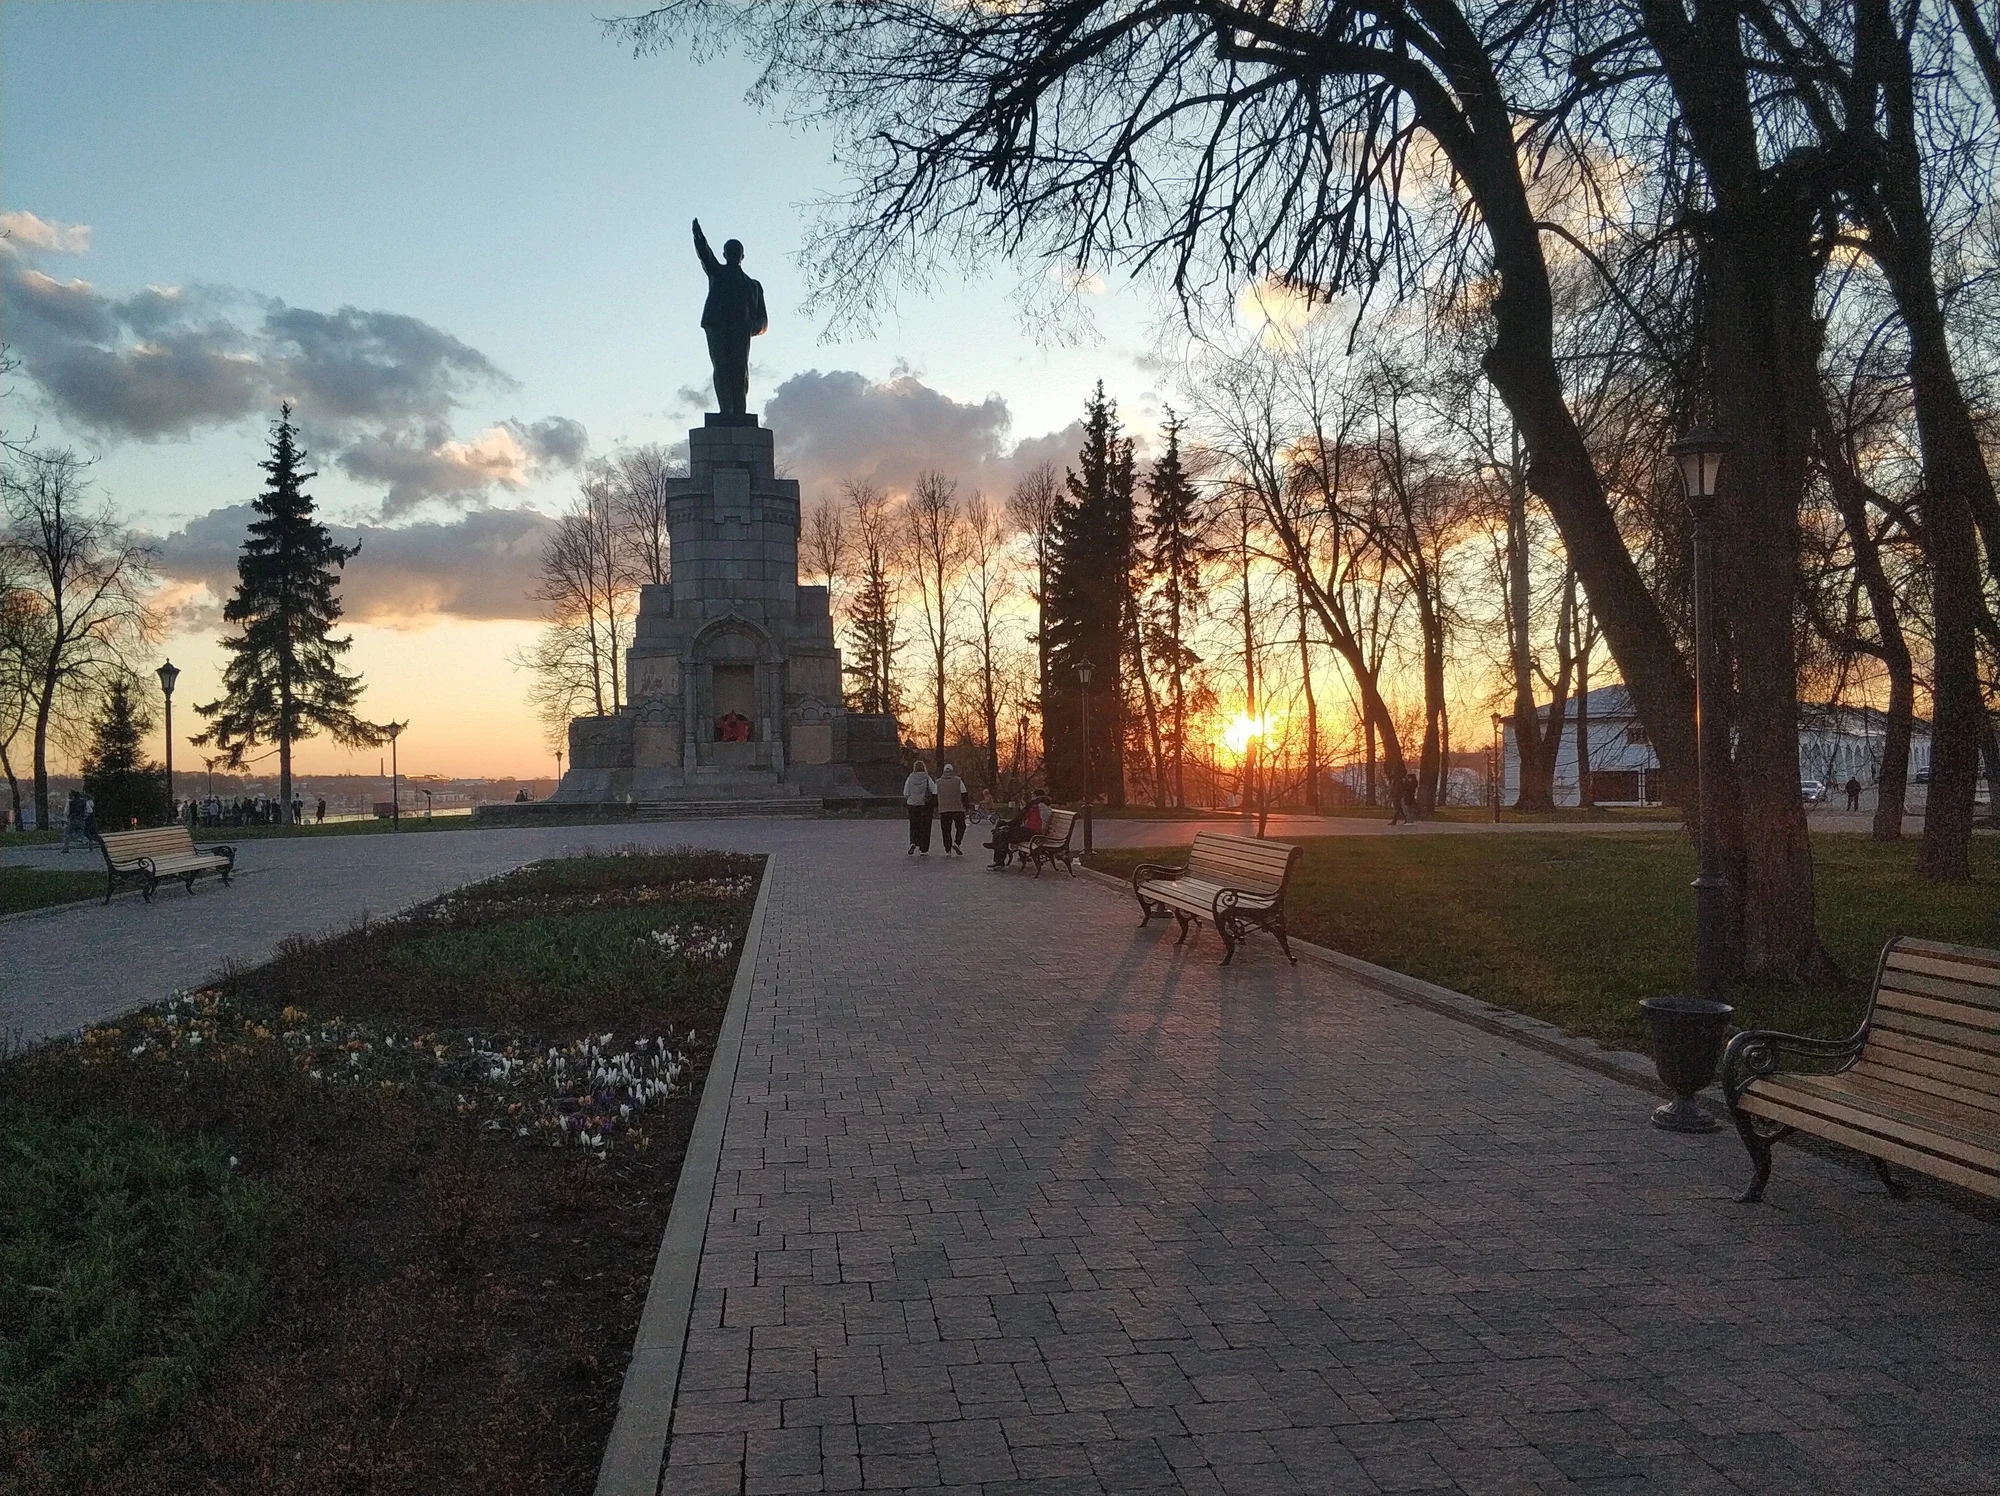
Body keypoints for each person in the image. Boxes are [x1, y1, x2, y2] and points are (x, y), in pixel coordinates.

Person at [988, 787, 1052, 868]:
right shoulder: (1034, 805)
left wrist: (1041, 834)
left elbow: (1044, 822)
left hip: (1032, 833)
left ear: (1036, 796)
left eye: (1033, 795)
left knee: (1004, 834)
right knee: (1001, 824)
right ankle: (995, 844)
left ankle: (999, 859)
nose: (1031, 797)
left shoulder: (1041, 806)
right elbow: (1021, 818)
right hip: (1027, 830)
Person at [903, 759, 936, 855]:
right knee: (925, 827)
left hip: (912, 804)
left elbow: (906, 793)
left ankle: (913, 842)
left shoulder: (910, 778)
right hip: (924, 805)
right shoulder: (927, 778)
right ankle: (924, 849)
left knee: (914, 825)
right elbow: (934, 790)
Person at [934, 764, 969, 855]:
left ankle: (947, 849)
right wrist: (967, 806)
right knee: (961, 827)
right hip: (958, 808)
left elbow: (934, 796)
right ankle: (957, 842)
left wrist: (936, 806)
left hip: (944, 809)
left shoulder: (938, 782)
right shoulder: (958, 781)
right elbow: (964, 794)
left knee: (946, 830)